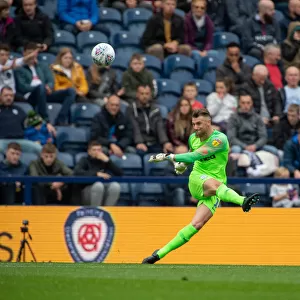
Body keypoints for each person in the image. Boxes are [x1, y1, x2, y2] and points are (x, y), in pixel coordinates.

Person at [142, 108, 259, 264]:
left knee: (196, 225)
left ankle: (158, 254)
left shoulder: (219, 140)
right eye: (193, 124)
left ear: (208, 122)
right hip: (198, 180)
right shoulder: (193, 138)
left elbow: (196, 155)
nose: (195, 128)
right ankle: (242, 201)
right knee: (215, 185)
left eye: (199, 124)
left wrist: (171, 157)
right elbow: (192, 156)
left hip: (216, 188)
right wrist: (181, 165)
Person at [73, 141, 123, 206]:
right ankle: (96, 211)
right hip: (87, 190)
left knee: (115, 186)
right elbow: (77, 172)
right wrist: (96, 174)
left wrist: (108, 161)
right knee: (98, 186)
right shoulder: (84, 160)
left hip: (103, 189)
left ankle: (108, 211)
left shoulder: (104, 160)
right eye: (94, 150)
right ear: (89, 151)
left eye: (99, 150)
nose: (97, 152)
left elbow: (120, 173)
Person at [127, 84, 173, 155]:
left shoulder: (156, 109)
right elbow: (134, 127)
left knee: (168, 152)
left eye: (147, 94)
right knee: (141, 152)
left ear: (150, 95)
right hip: (138, 142)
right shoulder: (131, 109)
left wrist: (165, 142)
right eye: (142, 93)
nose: (144, 96)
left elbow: (160, 127)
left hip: (154, 142)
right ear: (137, 94)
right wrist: (139, 142)